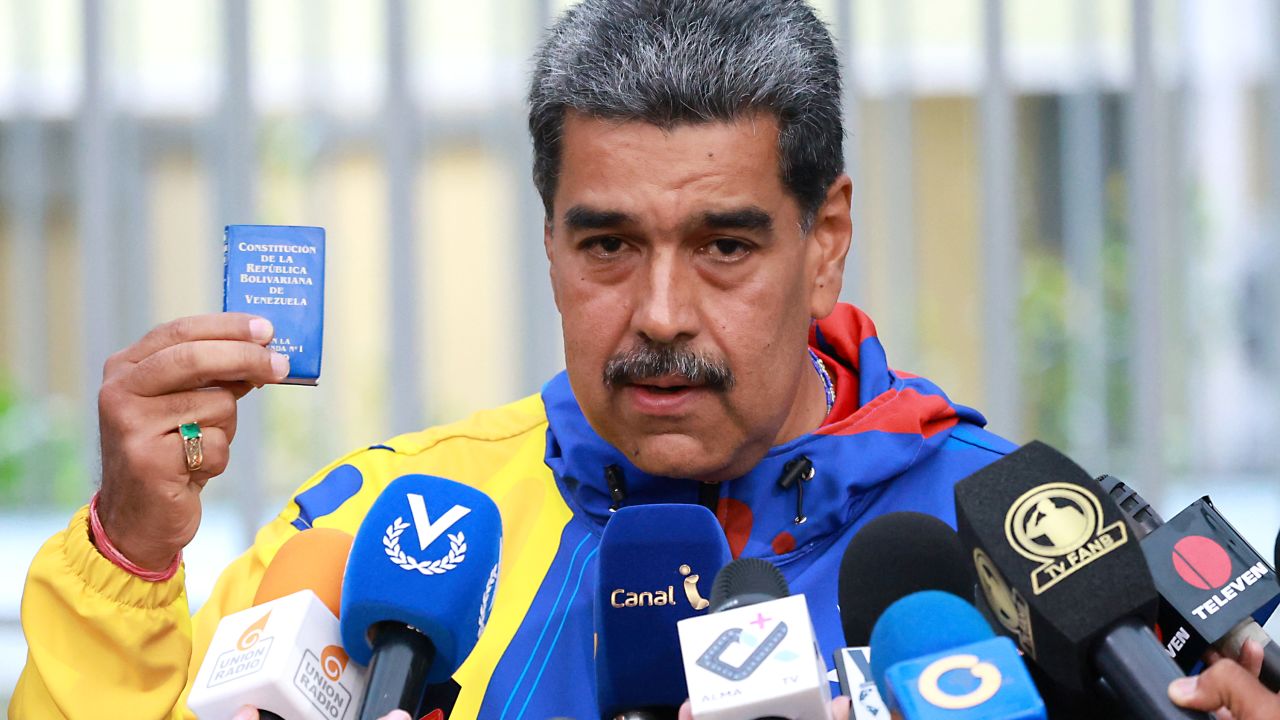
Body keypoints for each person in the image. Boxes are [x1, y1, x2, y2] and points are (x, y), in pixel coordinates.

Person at [11, 1, 1015, 718]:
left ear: (825, 239)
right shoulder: (386, 529)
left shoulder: (1023, 542)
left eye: (723, 246)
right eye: (607, 245)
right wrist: (132, 555)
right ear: (548, 241)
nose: (659, 316)